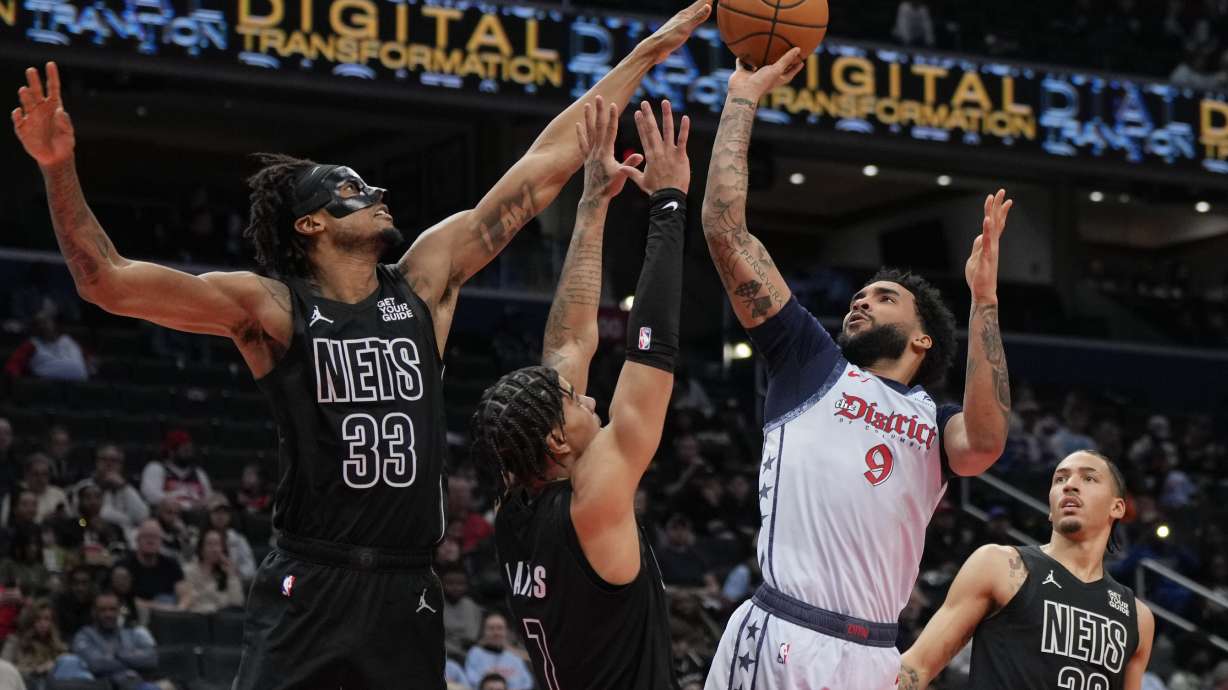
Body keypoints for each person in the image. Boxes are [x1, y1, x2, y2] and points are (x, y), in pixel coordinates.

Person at [11, 4, 708, 685]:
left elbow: (543, 163)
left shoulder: (425, 281)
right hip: (311, 578)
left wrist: (648, 51)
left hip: (408, 584)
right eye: (350, 191)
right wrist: (56, 166)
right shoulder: (272, 309)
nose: (375, 191)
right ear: (311, 225)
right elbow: (106, 281)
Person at [701, 49, 1013, 689]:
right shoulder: (810, 362)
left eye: (883, 297)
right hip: (785, 632)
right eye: (860, 294)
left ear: (923, 338)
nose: (860, 299)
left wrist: (985, 299)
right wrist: (742, 100)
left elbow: (984, 445)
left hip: (876, 656)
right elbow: (727, 233)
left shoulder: (935, 421)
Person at [472, 96, 690, 689]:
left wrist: (593, 203)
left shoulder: (513, 503)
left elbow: (568, 340)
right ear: (555, 440)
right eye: (575, 401)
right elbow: (652, 351)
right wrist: (668, 205)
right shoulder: (594, 503)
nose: (589, 398)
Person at [898, 451, 1156, 689]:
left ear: (1117, 507)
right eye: (1060, 479)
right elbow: (918, 665)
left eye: (1089, 478)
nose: (1069, 485)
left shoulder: (1138, 618)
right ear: (1050, 510)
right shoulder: (1000, 566)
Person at [70, 591, 159, 689]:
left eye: (113, 609)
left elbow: (152, 658)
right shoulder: (84, 635)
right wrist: (133, 663)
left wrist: (117, 654)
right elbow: (96, 664)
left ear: (119, 611)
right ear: (94, 612)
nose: (108, 614)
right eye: (102, 610)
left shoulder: (131, 632)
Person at [2, 598, 90, 686]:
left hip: (54, 684)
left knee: (71, 661)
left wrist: (54, 664)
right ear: (30, 620)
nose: (43, 624)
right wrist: (36, 670)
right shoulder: (14, 641)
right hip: (27, 683)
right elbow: (5, 669)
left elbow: (65, 661)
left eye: (47, 619)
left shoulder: (56, 642)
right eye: (38, 619)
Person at [68, 444, 149, 533]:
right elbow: (77, 518)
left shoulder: (128, 488)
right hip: (89, 535)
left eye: (114, 460)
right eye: (104, 459)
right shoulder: (83, 486)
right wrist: (86, 524)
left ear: (121, 464)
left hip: (126, 538)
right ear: (97, 462)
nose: (109, 464)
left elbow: (143, 517)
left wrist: (124, 487)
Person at [2, 309, 88, 382]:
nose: (42, 326)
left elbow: (86, 358)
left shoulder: (68, 340)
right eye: (38, 323)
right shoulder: (32, 344)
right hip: (47, 389)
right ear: (34, 328)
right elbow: (13, 365)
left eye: (45, 322)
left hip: (78, 387)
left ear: (53, 323)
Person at [55, 483, 126, 570]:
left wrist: (105, 532)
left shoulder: (113, 527)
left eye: (97, 497)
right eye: (88, 497)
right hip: (76, 570)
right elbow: (64, 554)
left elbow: (120, 555)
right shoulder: (72, 525)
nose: (93, 502)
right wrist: (87, 526)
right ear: (79, 501)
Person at [140, 430, 211, 516]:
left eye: (190, 449)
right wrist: (185, 506)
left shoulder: (199, 473)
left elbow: (208, 498)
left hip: (197, 518)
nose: (189, 453)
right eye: (185, 449)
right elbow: (151, 496)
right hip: (167, 519)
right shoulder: (156, 468)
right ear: (171, 451)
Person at [119, 520, 183, 612]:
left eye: (155, 537)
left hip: (168, 615)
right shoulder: (124, 565)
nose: (150, 541)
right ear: (137, 539)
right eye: (146, 536)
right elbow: (124, 600)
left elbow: (185, 594)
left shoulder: (171, 564)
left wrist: (179, 608)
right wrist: (157, 606)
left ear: (161, 541)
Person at [177, 527, 244, 614]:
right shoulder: (188, 570)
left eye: (217, 544)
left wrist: (231, 575)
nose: (215, 549)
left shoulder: (226, 572)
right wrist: (219, 598)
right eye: (210, 544)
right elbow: (189, 601)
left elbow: (237, 602)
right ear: (201, 548)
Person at [463, 612, 533, 690]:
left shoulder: (514, 656)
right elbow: (470, 682)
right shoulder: (475, 653)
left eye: (500, 628)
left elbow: (527, 683)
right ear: (484, 632)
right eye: (491, 628)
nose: (496, 632)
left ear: (506, 631)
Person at [0, 455, 67, 526]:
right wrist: (43, 521)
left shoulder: (58, 493)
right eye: (36, 474)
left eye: (45, 474)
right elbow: (5, 524)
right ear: (26, 475)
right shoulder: (14, 494)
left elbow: (69, 517)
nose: (40, 479)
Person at [204, 493, 256, 583]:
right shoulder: (199, 537)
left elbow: (250, 568)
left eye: (224, 512)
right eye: (216, 512)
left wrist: (235, 572)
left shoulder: (239, 539)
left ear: (229, 516)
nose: (220, 516)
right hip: (205, 582)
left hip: (234, 582)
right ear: (209, 514)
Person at [53, 566, 96, 641]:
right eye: (76, 583)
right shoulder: (61, 602)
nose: (80, 588)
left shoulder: (97, 603)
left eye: (84, 583)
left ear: (90, 584)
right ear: (70, 585)